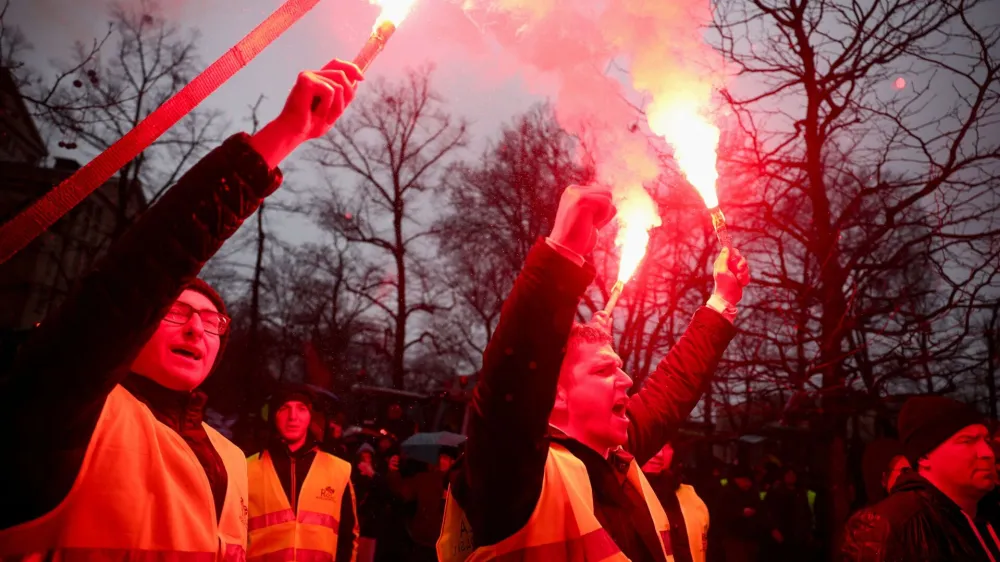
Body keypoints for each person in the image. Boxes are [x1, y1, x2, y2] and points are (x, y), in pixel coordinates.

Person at [0, 59, 363, 560]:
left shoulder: (232, 459)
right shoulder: (68, 413)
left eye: (212, 321)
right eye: (175, 311)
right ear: (140, 323)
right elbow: (132, 283)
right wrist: (280, 139)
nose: (196, 326)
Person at [437, 184, 751, 561]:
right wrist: (561, 254)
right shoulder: (517, 476)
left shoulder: (619, 462)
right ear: (555, 394)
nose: (627, 380)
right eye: (605, 369)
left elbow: (673, 387)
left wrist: (722, 302)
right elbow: (513, 380)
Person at [840, 396, 1000, 561]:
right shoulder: (889, 527)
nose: (987, 453)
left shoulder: (991, 513)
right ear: (924, 456)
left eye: (987, 441)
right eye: (967, 441)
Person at [247, 385, 357, 562]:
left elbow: (348, 536)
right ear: (273, 415)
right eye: (284, 408)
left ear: (310, 417)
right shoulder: (247, 468)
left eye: (301, 408)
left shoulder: (339, 470)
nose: (292, 417)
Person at [642, 443, 710, 562]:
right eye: (651, 441)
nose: (659, 454)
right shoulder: (617, 496)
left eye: (665, 446)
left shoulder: (691, 498)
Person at [388, 450, 457, 562]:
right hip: (425, 544)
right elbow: (402, 491)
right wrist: (393, 471)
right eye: (441, 457)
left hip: (445, 547)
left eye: (446, 457)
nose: (442, 460)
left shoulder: (458, 483)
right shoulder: (424, 479)